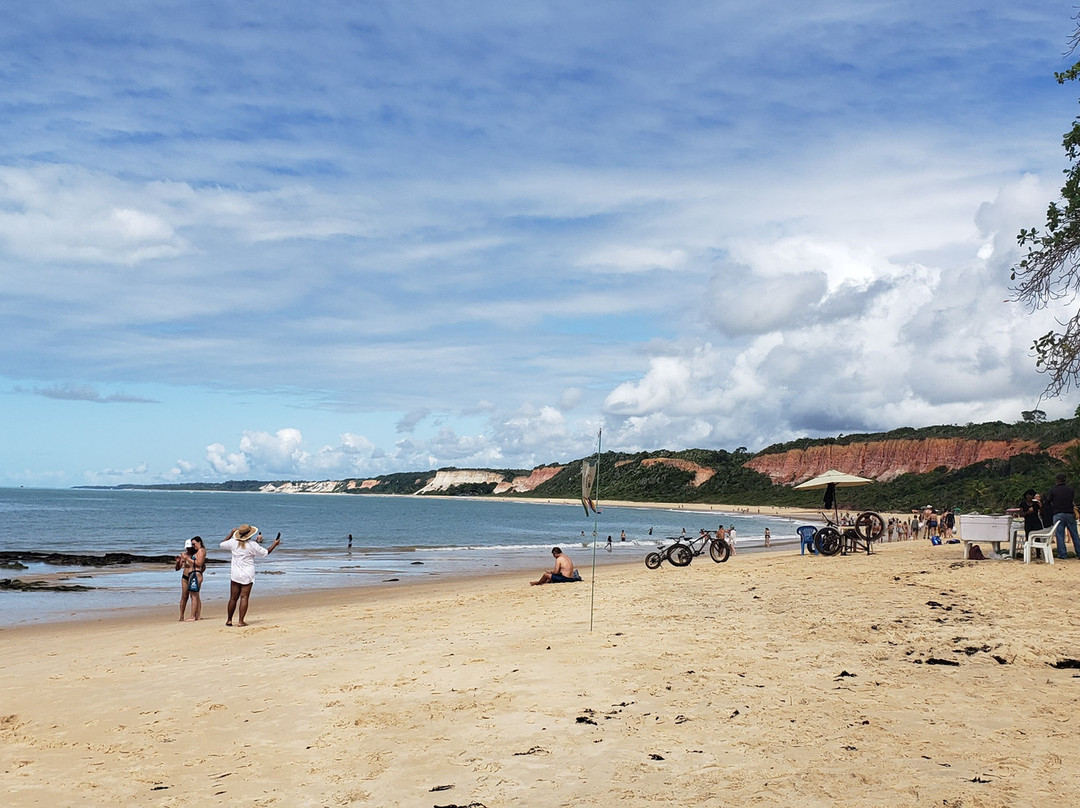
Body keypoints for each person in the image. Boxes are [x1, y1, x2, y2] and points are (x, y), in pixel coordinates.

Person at [220, 524, 281, 626]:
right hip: (248, 574)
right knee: (244, 597)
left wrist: (231, 533)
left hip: (235, 573)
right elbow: (266, 552)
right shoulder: (252, 545)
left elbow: (222, 544)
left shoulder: (233, 543)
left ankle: (229, 620)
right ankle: (240, 621)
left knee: (233, 598)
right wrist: (274, 544)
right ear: (250, 534)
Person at [1045, 473, 1080, 559]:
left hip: (1058, 514)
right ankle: (1079, 552)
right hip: (1069, 513)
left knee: (1060, 535)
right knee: (1074, 534)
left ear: (1057, 480)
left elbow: (1048, 501)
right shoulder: (1070, 489)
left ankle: (1062, 554)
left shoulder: (1053, 490)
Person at [174, 542, 197, 621]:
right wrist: (178, 562)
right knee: (184, 597)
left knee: (194, 596)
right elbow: (177, 569)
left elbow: (201, 565)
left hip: (193, 576)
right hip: (185, 577)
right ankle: (181, 616)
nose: (188, 549)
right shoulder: (184, 555)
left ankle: (195, 615)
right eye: (187, 548)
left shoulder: (196, 555)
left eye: (189, 548)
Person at [187, 536, 206, 621]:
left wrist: (187, 559)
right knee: (195, 595)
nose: (193, 546)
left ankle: (193, 616)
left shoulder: (201, 551)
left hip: (196, 574)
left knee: (194, 595)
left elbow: (199, 563)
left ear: (199, 542)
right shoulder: (198, 551)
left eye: (194, 544)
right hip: (194, 573)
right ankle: (197, 615)